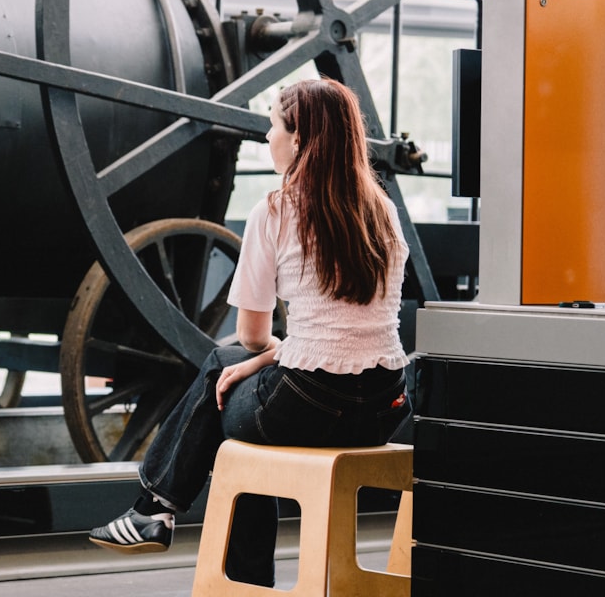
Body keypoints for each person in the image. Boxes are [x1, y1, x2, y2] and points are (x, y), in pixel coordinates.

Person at [87, 77, 412, 587]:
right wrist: (272, 356)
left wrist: (266, 354)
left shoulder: (277, 210)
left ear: (300, 139)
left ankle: (160, 511)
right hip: (384, 406)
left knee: (225, 372)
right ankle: (156, 509)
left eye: (272, 128)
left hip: (310, 403)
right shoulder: (384, 213)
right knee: (240, 390)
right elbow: (354, 330)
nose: (267, 139)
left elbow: (254, 335)